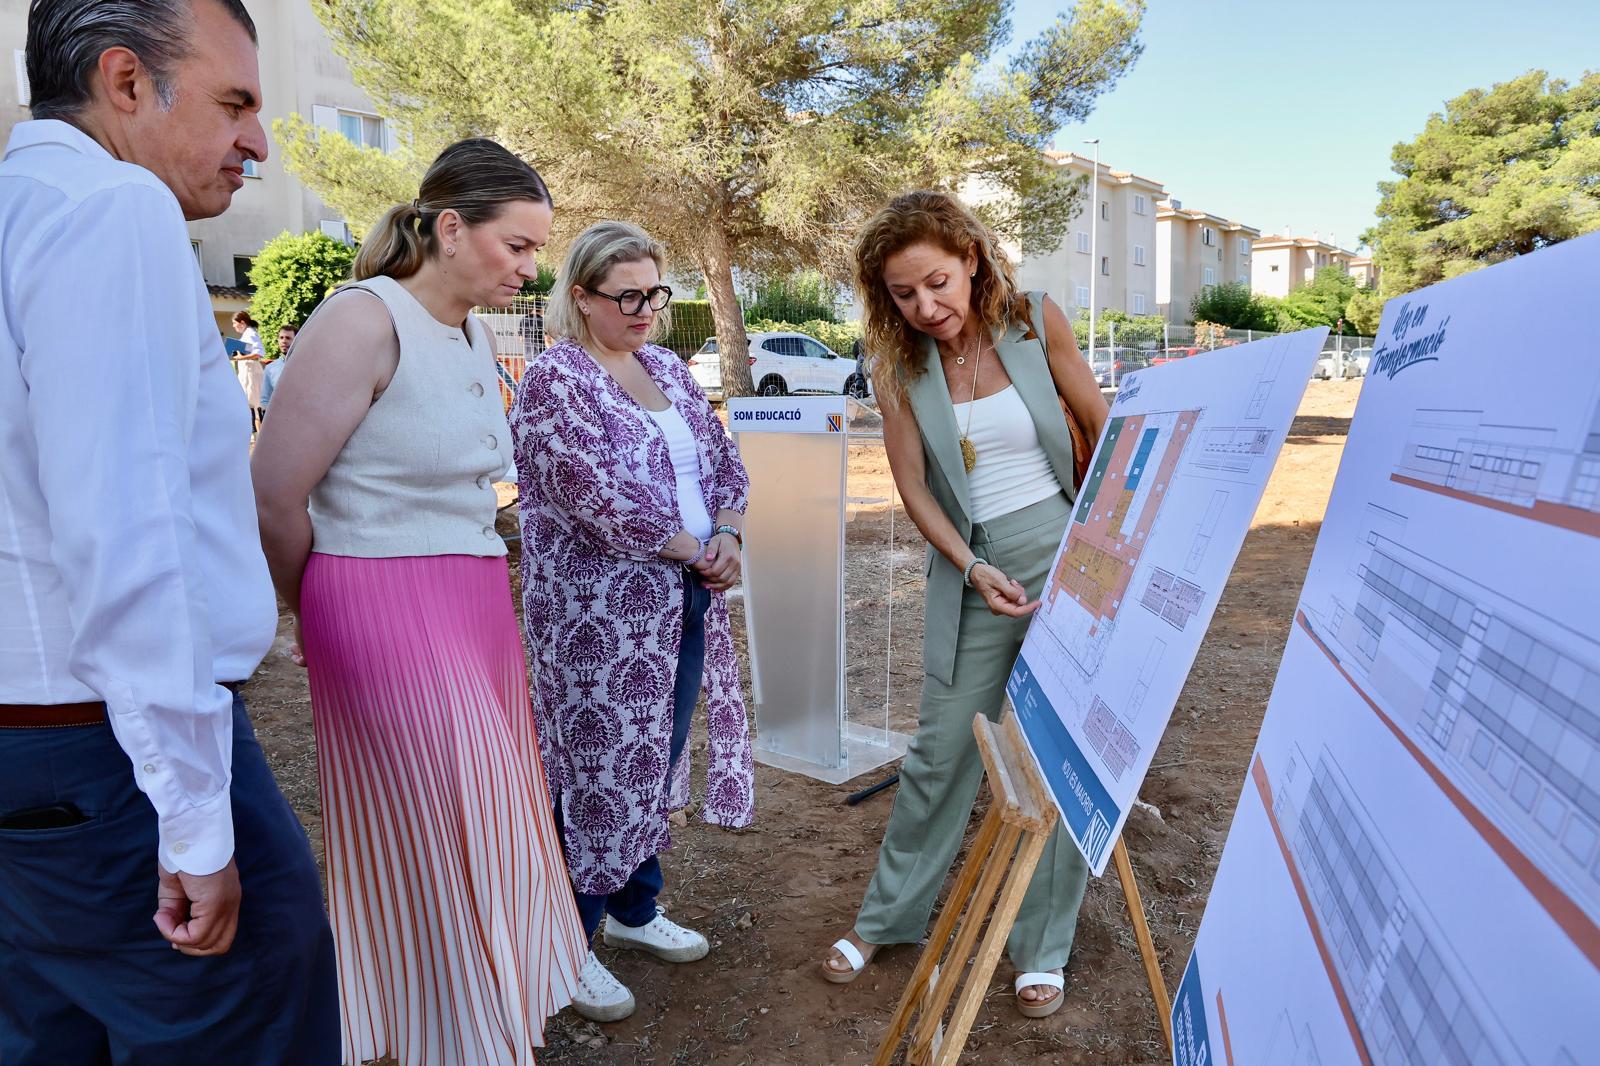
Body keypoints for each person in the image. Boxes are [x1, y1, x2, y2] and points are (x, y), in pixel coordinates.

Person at [0, 2, 338, 1062]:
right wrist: (193, 818)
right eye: (236, 101)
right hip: (105, 753)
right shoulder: (111, 209)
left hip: (42, 753)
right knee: (248, 1024)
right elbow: (126, 531)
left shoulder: (23, 205)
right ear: (125, 84)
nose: (260, 143)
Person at [252, 138, 585, 1066]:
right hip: (377, 597)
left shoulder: (472, 329)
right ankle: (460, 1040)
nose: (531, 267)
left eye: (536, 249)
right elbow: (276, 494)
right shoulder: (363, 319)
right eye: (516, 246)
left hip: (472, 596)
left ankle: (455, 1029)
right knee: (442, 834)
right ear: (449, 228)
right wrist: (310, 611)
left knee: (491, 820)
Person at [819, 190, 1109, 1018]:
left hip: (1068, 562)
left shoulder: (1035, 321)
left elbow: (1099, 424)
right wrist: (972, 566)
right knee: (942, 753)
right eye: (904, 294)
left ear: (971, 259)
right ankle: (889, 918)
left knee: (1049, 759)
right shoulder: (898, 365)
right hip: (976, 574)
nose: (926, 306)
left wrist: (1102, 564)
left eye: (938, 283)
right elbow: (913, 486)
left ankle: (1041, 946)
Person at [510, 221, 754, 1022]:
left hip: (683, 595)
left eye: (655, 292)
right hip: (600, 617)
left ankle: (633, 910)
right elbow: (593, 493)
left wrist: (726, 533)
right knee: (592, 774)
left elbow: (723, 459)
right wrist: (693, 546)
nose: (646, 308)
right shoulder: (556, 379)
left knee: (657, 759)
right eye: (627, 296)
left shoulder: (667, 369)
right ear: (580, 297)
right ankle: (564, 944)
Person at [231, 310, 265, 427]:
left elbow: (259, 352)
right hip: (247, 374)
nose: (233, 326)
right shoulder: (247, 334)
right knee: (250, 406)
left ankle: (260, 438)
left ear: (242, 322)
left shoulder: (250, 333)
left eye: (234, 323)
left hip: (252, 374)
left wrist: (242, 357)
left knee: (255, 406)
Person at [258, 321, 297, 411]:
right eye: (281, 338)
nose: (284, 341)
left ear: (296, 341)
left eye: (288, 338)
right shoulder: (270, 368)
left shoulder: (305, 365)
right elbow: (265, 400)